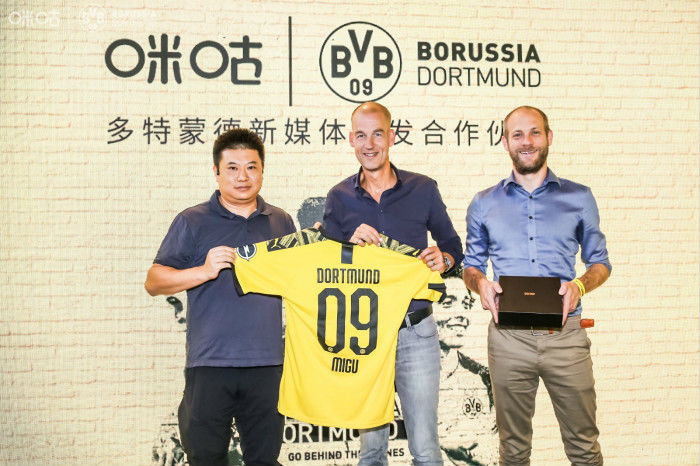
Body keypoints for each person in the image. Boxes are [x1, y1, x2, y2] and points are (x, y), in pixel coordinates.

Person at [462, 106, 611, 466]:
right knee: (513, 451)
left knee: (584, 447)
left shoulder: (579, 197)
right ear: (505, 142)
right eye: (517, 134)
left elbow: (600, 263)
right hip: (508, 340)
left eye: (534, 132)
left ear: (549, 137)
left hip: (566, 336)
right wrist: (481, 284)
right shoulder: (483, 203)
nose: (526, 141)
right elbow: (471, 266)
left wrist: (579, 286)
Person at [323, 101, 464, 466]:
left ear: (392, 137)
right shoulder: (338, 197)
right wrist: (346, 244)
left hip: (416, 331)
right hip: (365, 336)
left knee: (426, 450)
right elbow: (325, 265)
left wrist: (445, 259)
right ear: (350, 139)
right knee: (371, 453)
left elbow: (452, 246)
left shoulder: (423, 188)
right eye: (361, 135)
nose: (369, 144)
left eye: (377, 134)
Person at [144, 128, 295, 466]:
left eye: (251, 167)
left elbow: (296, 280)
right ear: (216, 172)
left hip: (267, 364)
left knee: (265, 460)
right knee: (206, 458)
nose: (243, 177)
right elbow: (154, 282)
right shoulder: (192, 221)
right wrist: (203, 270)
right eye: (232, 168)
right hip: (210, 364)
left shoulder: (281, 221)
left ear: (262, 170)